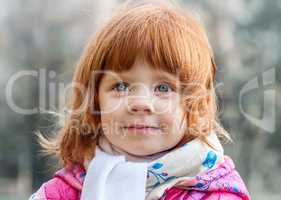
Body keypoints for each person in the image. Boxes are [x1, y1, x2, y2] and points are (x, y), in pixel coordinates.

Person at [29, 1, 251, 200]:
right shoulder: (63, 192)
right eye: (121, 86)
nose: (141, 102)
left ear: (193, 105)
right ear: (95, 103)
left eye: (163, 88)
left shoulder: (216, 194)